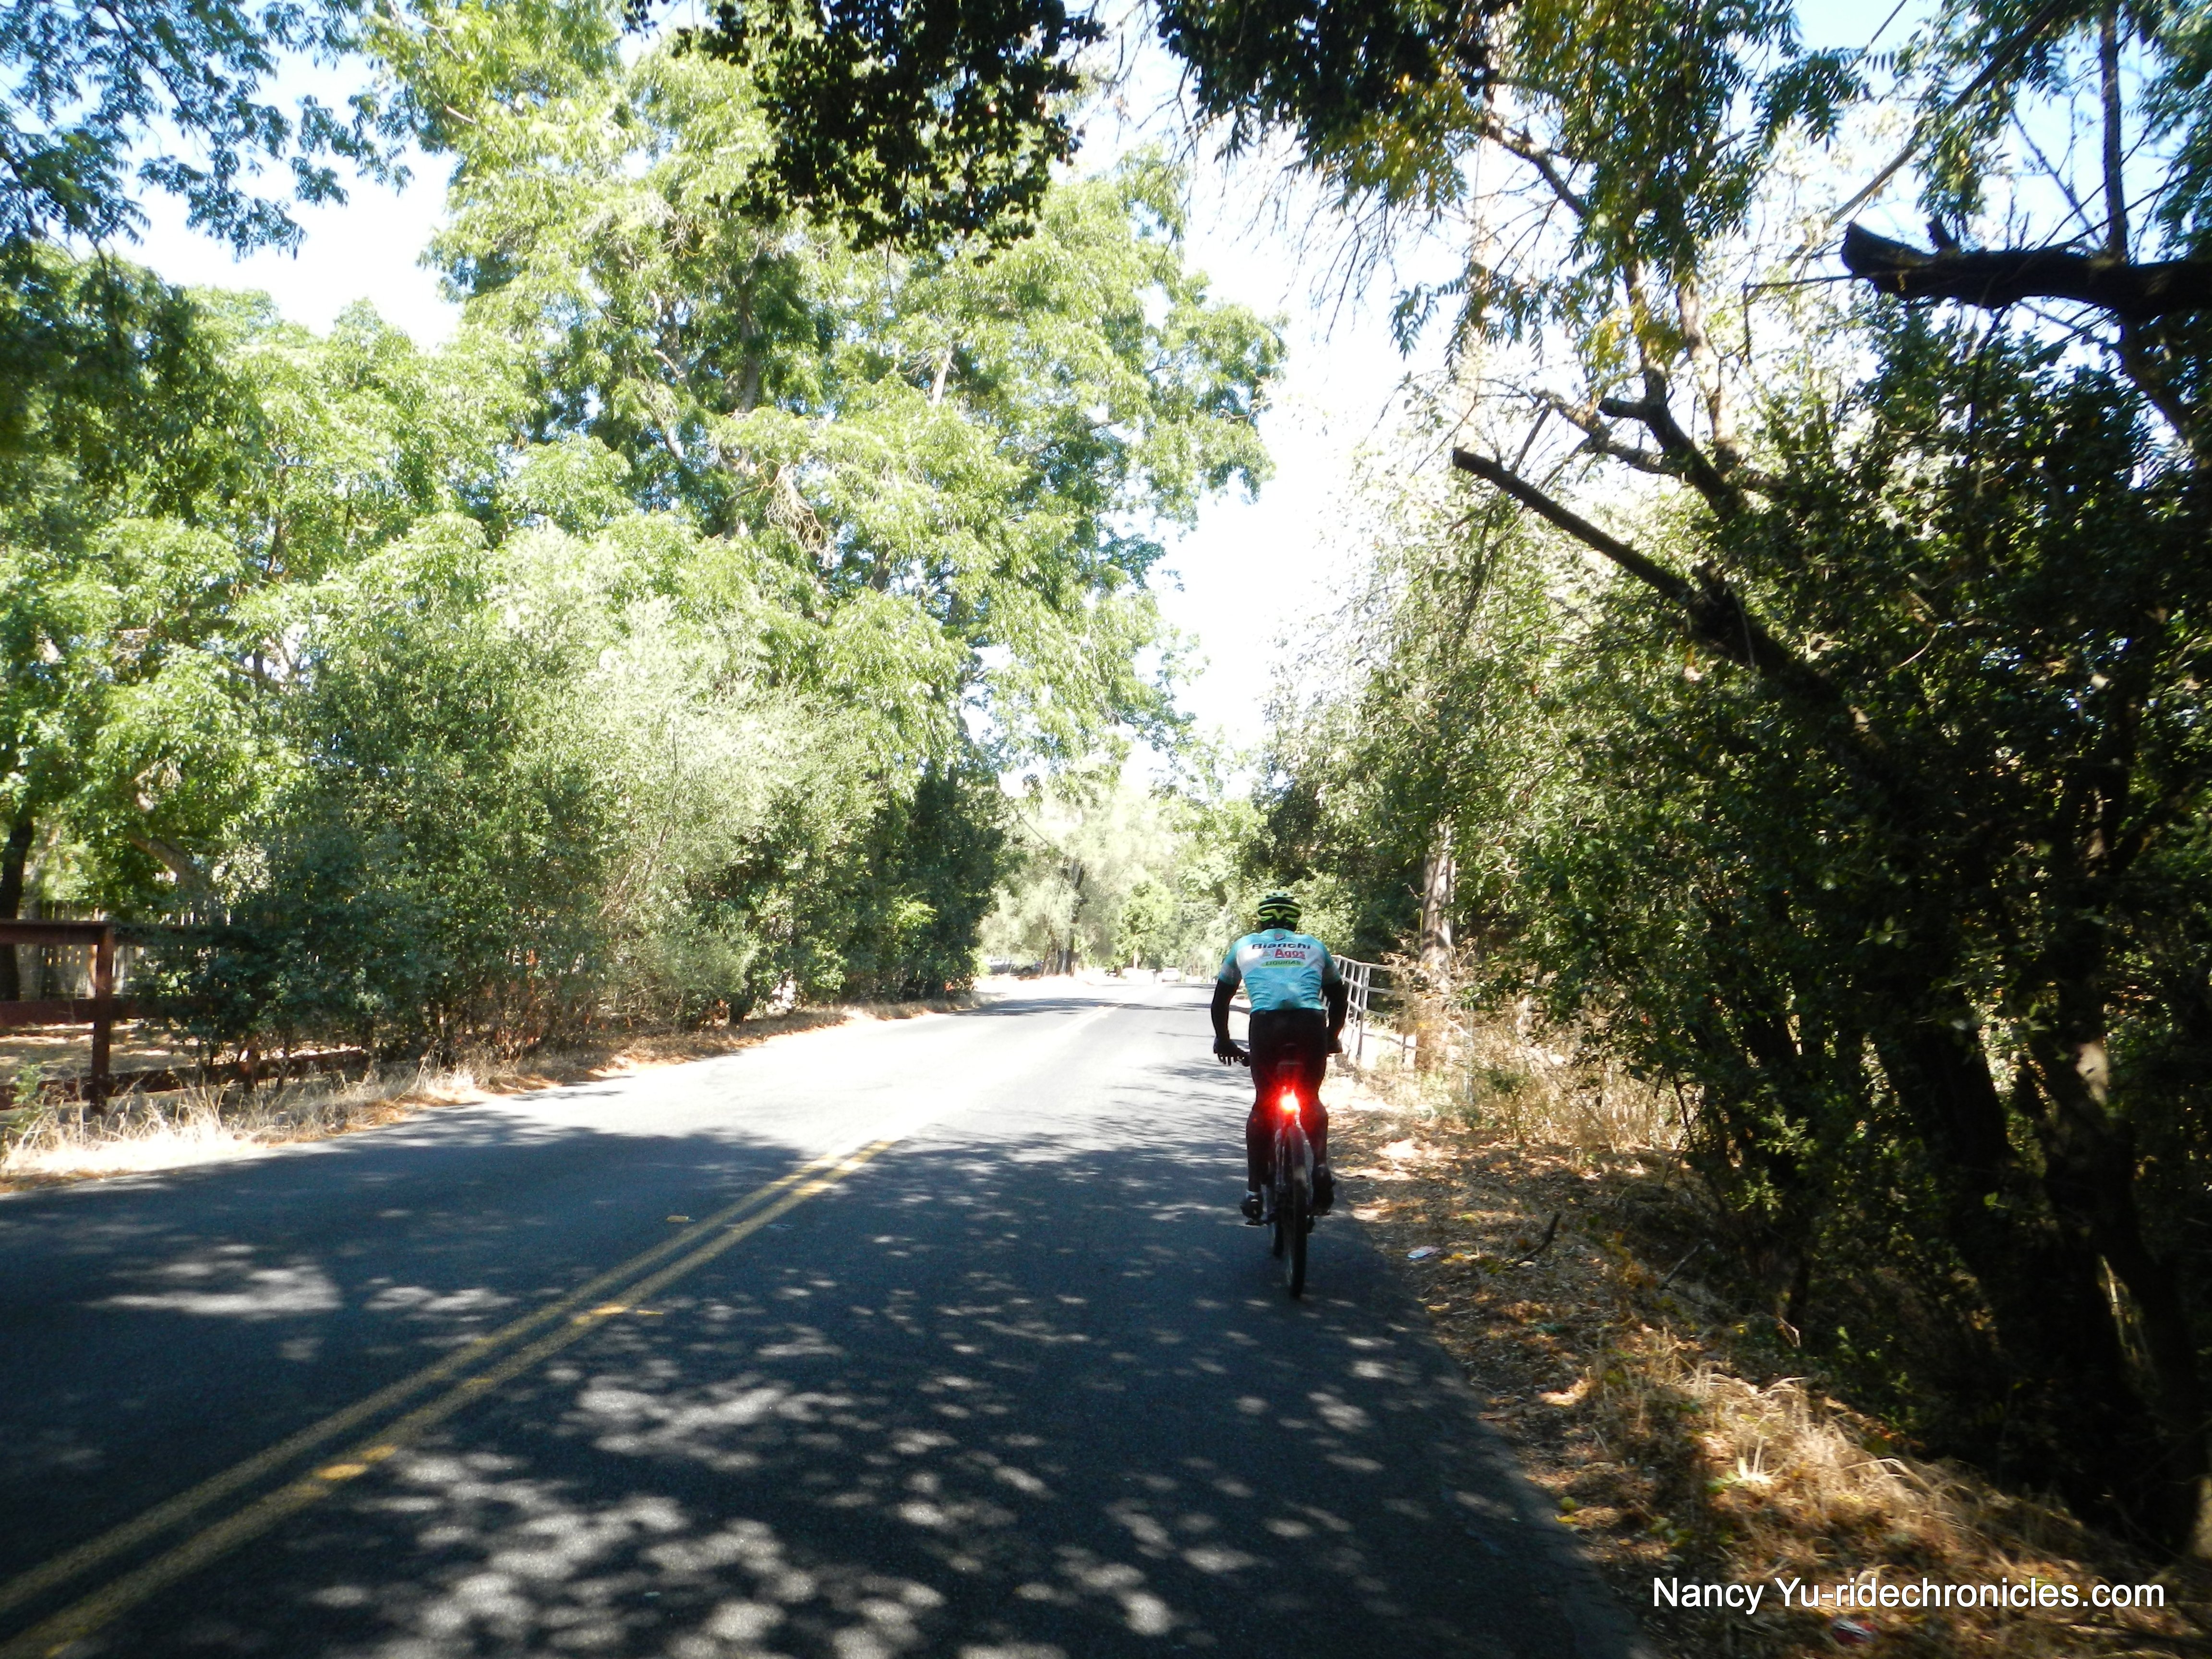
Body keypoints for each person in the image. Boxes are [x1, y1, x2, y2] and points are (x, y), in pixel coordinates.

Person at [1212, 890, 1347, 1222]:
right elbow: (1339, 998)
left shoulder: (1244, 946)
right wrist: (1331, 1037)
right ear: (1295, 921)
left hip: (1267, 1026)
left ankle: (1253, 1192)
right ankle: (1320, 1166)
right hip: (1309, 1024)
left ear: (1261, 920)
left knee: (1264, 1104)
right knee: (1310, 1097)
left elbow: (1221, 1001)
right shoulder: (1314, 945)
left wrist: (1224, 1041)